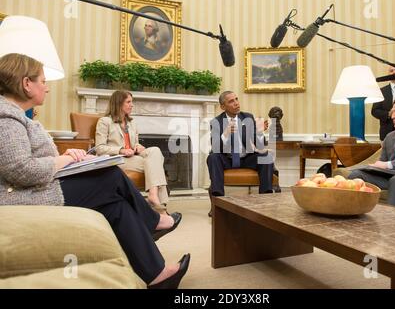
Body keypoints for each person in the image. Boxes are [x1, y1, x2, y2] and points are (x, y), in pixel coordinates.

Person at [0, 53, 189, 288]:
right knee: (109, 175)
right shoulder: (6, 117)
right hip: (23, 196)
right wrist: (64, 160)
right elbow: (21, 171)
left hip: (43, 185)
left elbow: (29, 162)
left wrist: (68, 158)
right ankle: (152, 221)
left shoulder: (16, 115)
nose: (47, 88)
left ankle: (157, 274)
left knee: (115, 205)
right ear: (27, 84)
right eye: (43, 81)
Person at [95, 90, 171, 215]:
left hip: (133, 157)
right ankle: (161, 207)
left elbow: (133, 143)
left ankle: (153, 196)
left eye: (132, 102)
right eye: (128, 102)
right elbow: (99, 148)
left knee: (155, 151)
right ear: (119, 103)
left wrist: (138, 146)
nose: (132, 105)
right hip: (117, 159)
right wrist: (121, 150)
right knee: (155, 166)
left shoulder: (132, 122)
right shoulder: (104, 121)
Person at [207, 91, 275, 201]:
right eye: (231, 101)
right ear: (223, 106)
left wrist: (259, 132)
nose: (236, 103)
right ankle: (218, 202)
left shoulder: (247, 117)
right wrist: (225, 134)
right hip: (227, 160)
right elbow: (215, 147)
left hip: (246, 158)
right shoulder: (216, 121)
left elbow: (260, 144)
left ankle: (265, 199)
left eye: (236, 99)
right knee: (213, 157)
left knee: (266, 157)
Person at [371, 66, 395, 140]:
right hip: (387, 132)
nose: (394, 72)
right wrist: (388, 114)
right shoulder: (381, 91)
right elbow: (374, 111)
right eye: (391, 71)